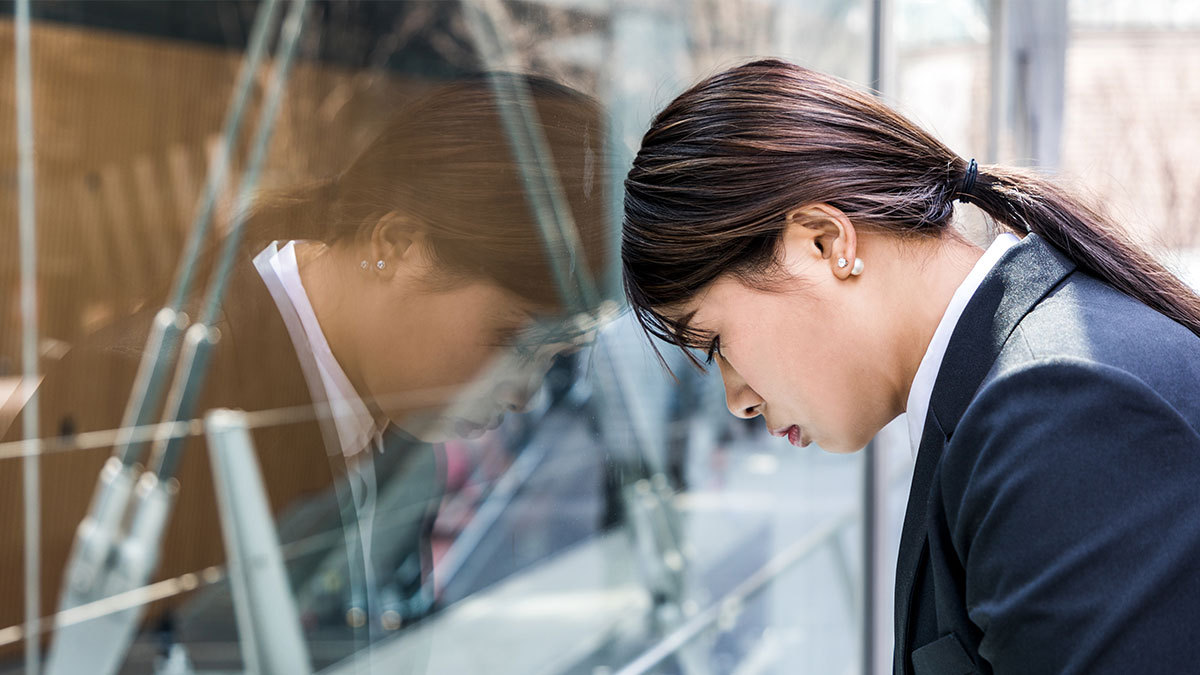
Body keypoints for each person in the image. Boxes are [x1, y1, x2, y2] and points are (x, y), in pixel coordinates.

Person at [0, 73, 609, 666]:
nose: (528, 394)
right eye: (515, 341)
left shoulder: (397, 417)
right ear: (395, 245)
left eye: (551, 359)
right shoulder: (140, 399)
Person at [621, 58, 1200, 674]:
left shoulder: (1058, 410)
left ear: (823, 242)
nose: (737, 399)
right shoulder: (1015, 386)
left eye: (715, 344)